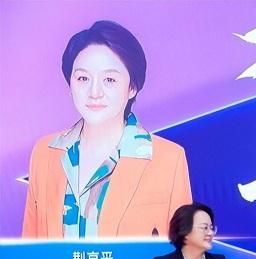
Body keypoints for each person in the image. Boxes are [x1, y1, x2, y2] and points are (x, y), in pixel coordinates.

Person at [22, 20, 192, 238]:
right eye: (83, 78)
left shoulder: (168, 159)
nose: (95, 92)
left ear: (132, 87)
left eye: (109, 79)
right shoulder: (45, 152)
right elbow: (30, 249)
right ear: (70, 84)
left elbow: (182, 252)